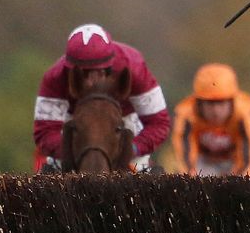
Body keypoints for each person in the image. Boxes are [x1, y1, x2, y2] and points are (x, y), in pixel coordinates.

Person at [33, 24, 171, 171]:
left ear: (110, 67)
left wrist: (132, 148)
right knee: (52, 174)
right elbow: (45, 132)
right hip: (75, 125)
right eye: (84, 73)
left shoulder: (134, 67)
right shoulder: (55, 78)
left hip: (125, 123)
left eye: (98, 72)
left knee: (145, 179)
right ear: (71, 70)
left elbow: (159, 123)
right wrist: (69, 151)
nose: (92, 81)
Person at [172, 63, 250, 176]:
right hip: (205, 161)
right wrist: (190, 180)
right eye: (210, 104)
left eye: (221, 103)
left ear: (231, 101)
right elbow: (184, 157)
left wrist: (240, 183)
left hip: (240, 159)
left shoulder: (247, 112)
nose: (216, 111)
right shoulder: (186, 114)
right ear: (199, 103)